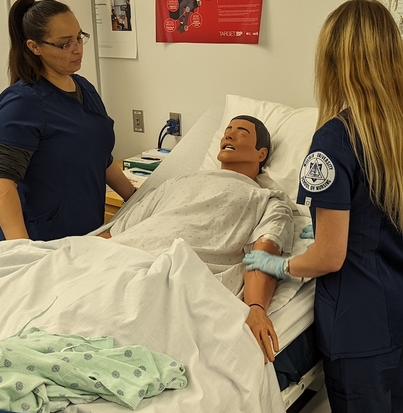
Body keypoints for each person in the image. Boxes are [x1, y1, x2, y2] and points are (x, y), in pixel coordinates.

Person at [243, 0, 403, 413]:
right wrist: (373, 226)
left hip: (360, 322)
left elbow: (329, 257)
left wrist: (276, 263)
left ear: (334, 61)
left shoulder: (332, 141)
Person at [102, 116, 293, 363]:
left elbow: (264, 253)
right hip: (120, 259)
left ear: (261, 154)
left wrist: (256, 307)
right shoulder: (179, 181)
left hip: (169, 273)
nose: (229, 136)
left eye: (242, 133)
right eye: (227, 130)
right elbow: (118, 232)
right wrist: (80, 253)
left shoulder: (267, 200)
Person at [0, 0, 136, 243]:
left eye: (79, 38)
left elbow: (99, 156)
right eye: (64, 44)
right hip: (41, 241)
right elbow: (2, 180)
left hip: (87, 233)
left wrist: (134, 198)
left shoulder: (84, 89)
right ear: (35, 47)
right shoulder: (22, 103)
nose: (77, 49)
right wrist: (20, 248)